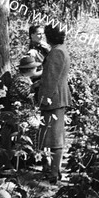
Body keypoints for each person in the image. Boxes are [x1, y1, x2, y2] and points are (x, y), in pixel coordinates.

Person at [37, 25, 71, 184]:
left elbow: (51, 78)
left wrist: (44, 98)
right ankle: (53, 169)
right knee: (52, 136)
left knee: (55, 137)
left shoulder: (57, 52)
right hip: (57, 97)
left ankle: (54, 172)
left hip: (54, 98)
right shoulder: (61, 49)